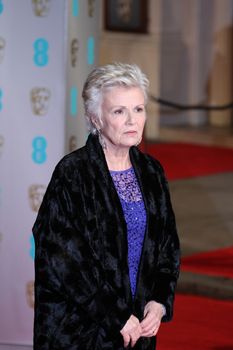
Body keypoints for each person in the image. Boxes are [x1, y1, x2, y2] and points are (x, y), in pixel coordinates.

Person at [33, 62, 180, 350]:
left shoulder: (152, 171)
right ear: (96, 118)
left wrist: (159, 301)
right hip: (79, 330)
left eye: (138, 109)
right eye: (119, 111)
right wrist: (115, 315)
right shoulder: (73, 173)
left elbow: (167, 246)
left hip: (137, 329)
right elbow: (60, 260)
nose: (132, 121)